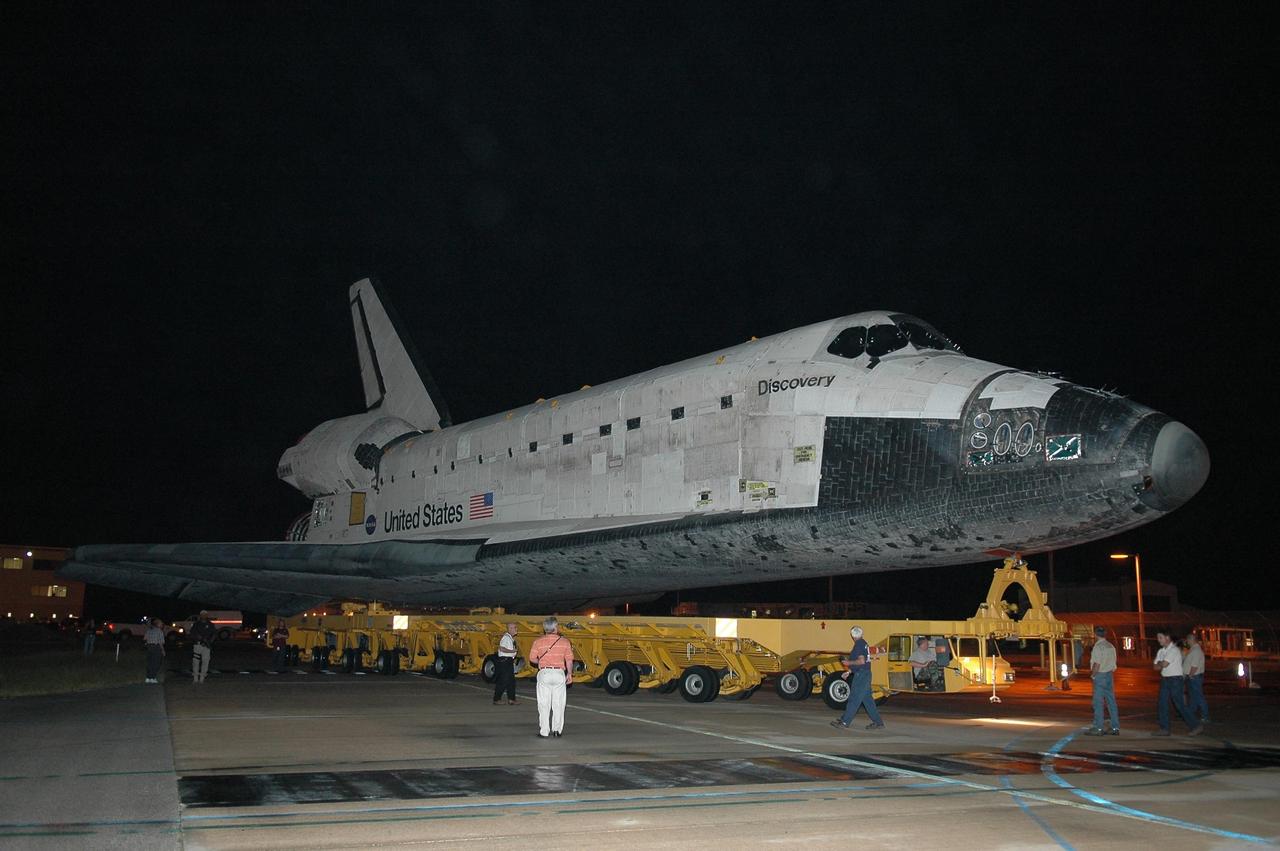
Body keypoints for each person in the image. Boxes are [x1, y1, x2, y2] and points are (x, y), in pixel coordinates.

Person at [831, 626, 885, 730]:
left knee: (854, 698)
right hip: (865, 674)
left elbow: (861, 661)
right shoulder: (863, 643)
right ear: (861, 634)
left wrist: (848, 663)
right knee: (868, 700)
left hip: (861, 675)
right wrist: (849, 671)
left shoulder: (859, 645)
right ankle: (878, 723)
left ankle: (845, 722)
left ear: (852, 635)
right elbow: (862, 663)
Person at [528, 617, 573, 738]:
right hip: (559, 673)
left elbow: (532, 658)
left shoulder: (538, 642)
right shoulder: (565, 642)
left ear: (545, 628)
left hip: (544, 673)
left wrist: (542, 662)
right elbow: (569, 660)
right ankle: (557, 730)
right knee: (559, 703)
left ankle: (544, 731)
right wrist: (569, 674)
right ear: (555, 627)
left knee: (543, 703)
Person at [1153, 631, 1202, 736]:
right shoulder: (1161, 651)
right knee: (1162, 704)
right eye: (1158, 637)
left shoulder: (1174, 650)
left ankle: (1195, 725)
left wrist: (1160, 663)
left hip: (1175, 679)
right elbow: (1155, 667)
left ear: (1167, 638)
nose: (1158, 640)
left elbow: (1164, 664)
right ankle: (1164, 729)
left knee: (1179, 704)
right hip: (1165, 679)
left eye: (1160, 637)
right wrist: (1160, 664)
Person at [1085, 626, 1120, 736]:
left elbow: (1097, 664)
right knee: (1111, 702)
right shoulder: (1110, 646)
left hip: (1100, 675)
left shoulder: (1098, 647)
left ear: (1095, 635)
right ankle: (1115, 727)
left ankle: (1098, 727)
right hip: (1109, 675)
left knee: (1098, 703)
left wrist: (1093, 675)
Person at [1183, 632, 1209, 724]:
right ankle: (1190, 714)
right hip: (1193, 676)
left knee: (1198, 697)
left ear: (1191, 640)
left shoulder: (1196, 651)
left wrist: (1190, 675)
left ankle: (1205, 716)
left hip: (1194, 677)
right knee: (1193, 697)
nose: (1186, 642)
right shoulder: (1193, 649)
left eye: (1187, 640)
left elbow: (1194, 665)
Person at [493, 623, 519, 705]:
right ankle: (497, 699)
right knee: (503, 680)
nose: (516, 629)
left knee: (511, 681)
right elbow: (501, 648)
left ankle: (511, 699)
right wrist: (512, 651)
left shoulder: (509, 638)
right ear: (510, 629)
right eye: (514, 627)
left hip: (508, 660)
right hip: (505, 661)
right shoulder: (506, 638)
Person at [189, 611, 216, 684]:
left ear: (207, 615)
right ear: (200, 615)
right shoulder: (196, 624)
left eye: (205, 614)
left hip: (206, 646)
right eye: (202, 614)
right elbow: (191, 634)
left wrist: (209, 642)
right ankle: (195, 678)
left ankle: (202, 678)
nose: (203, 616)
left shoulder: (210, 624)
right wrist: (197, 638)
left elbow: (214, 634)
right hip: (197, 645)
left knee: (205, 661)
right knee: (195, 662)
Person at [143, 617, 166, 683]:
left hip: (149, 647)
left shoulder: (149, 630)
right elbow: (160, 642)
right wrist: (163, 650)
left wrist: (148, 643)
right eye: (161, 623)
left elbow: (145, 639)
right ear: (157, 624)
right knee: (156, 663)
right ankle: (152, 677)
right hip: (156, 647)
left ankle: (148, 678)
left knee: (150, 662)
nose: (162, 624)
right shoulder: (159, 631)